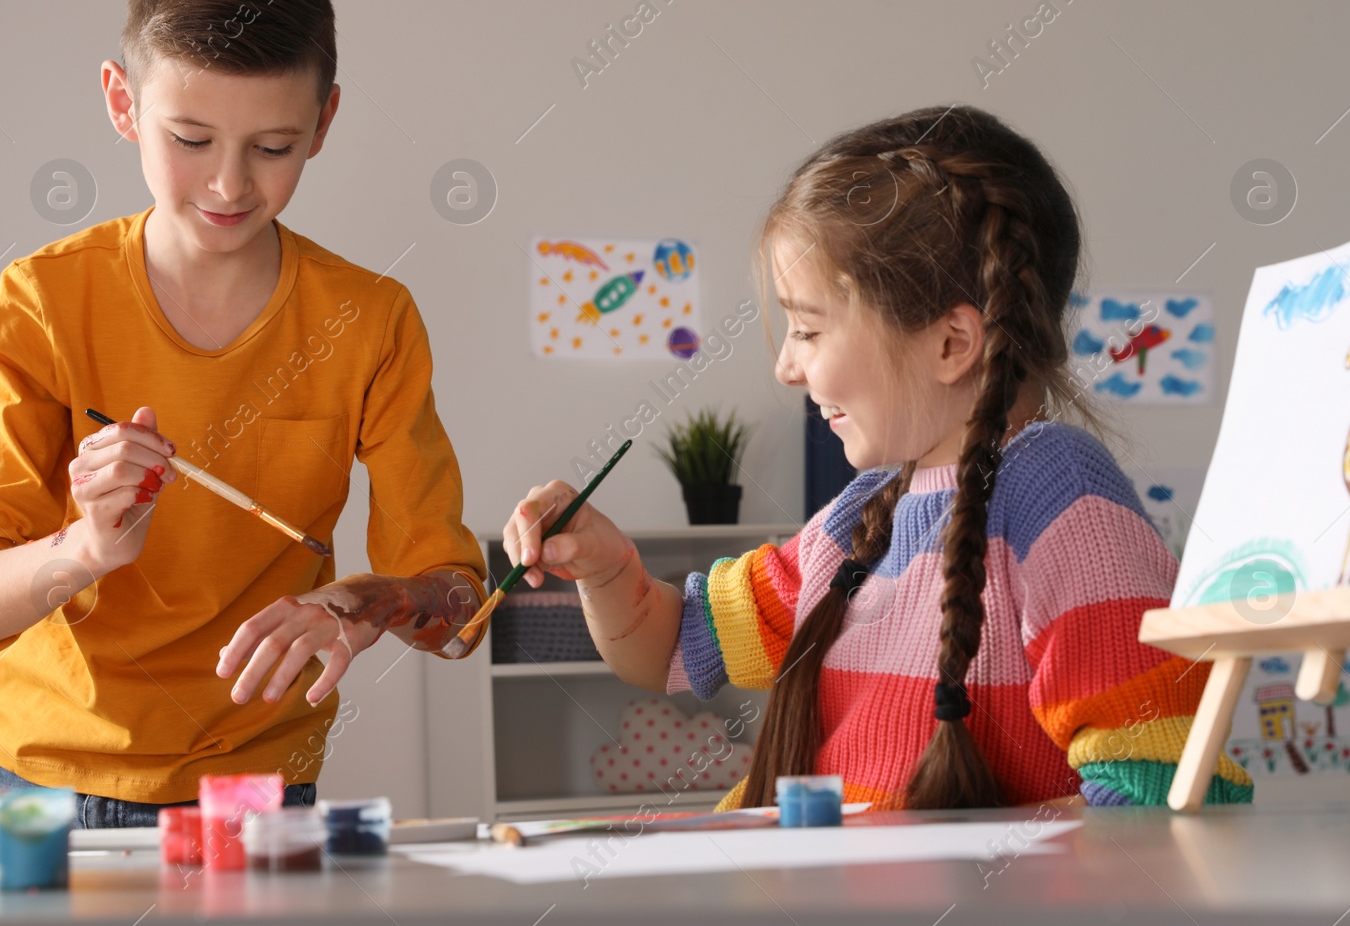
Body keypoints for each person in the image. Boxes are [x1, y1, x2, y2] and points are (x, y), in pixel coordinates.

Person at [503, 106, 1252, 809]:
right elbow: (669, 645)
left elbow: (1166, 790)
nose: (787, 369)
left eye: (809, 330)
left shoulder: (1062, 498)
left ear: (952, 343)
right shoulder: (861, 513)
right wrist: (606, 569)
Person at [0, 0, 485, 827]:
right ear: (121, 102)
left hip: (255, 789)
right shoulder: (42, 300)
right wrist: (82, 551)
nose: (228, 186)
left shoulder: (372, 320)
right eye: (189, 138)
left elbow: (457, 608)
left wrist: (365, 603)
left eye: (271, 147)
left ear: (325, 121)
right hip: (43, 781)